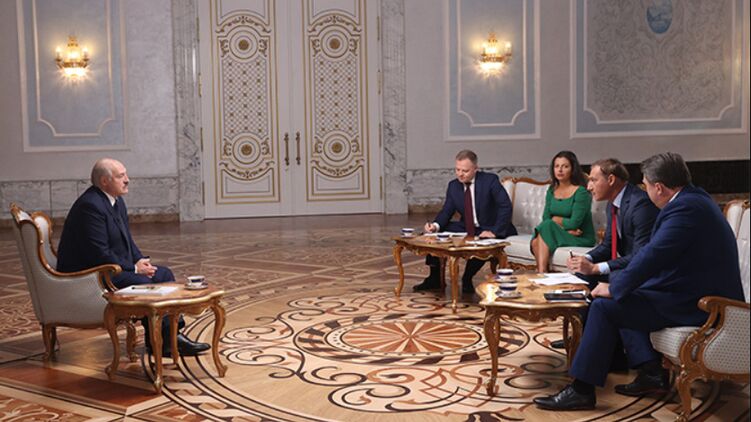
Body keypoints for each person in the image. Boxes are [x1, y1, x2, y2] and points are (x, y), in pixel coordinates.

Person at [534, 152, 744, 411]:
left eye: (645, 185)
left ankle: (582, 391)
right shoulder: (693, 199)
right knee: (619, 298)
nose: (644, 190)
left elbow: (651, 255)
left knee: (605, 306)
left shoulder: (685, 209)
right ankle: (638, 370)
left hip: (703, 304)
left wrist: (615, 287)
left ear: (659, 187)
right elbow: (656, 256)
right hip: (689, 291)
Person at [57, 158, 210, 357]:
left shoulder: (115, 200)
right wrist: (135, 269)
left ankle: (168, 336)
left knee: (163, 274)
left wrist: (139, 260)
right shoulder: (90, 206)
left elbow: (127, 240)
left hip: (110, 267)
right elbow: (98, 253)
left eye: (125, 174)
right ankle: (164, 340)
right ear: (104, 181)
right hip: (90, 275)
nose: (127, 179)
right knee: (146, 284)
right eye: (121, 176)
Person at [549, 159, 659, 353]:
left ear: (611, 179)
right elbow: (608, 245)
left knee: (608, 276)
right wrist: (586, 260)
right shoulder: (613, 204)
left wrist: (597, 268)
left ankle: (622, 351)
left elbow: (640, 254)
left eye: (593, 180)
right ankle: (581, 336)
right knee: (582, 276)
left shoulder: (640, 204)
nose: (589, 187)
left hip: (641, 271)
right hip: (626, 265)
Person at [414, 150, 516, 293]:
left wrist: (494, 232)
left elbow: (505, 207)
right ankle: (434, 278)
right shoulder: (453, 186)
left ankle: (467, 278)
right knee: (436, 234)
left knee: (483, 241)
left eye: (465, 171)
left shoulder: (490, 181)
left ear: (475, 169)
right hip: (468, 226)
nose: (460, 174)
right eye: (457, 170)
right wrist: (435, 226)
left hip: (490, 226)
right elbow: (447, 211)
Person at [531, 151, 595, 273]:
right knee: (536, 240)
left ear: (572, 169)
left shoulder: (581, 192)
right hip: (567, 232)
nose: (560, 170)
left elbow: (575, 223)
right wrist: (565, 229)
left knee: (543, 231)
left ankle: (542, 273)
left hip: (581, 237)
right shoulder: (551, 190)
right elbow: (546, 218)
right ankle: (544, 274)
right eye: (557, 166)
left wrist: (556, 219)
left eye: (565, 166)